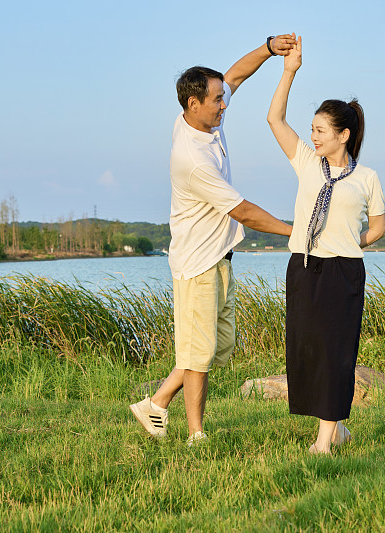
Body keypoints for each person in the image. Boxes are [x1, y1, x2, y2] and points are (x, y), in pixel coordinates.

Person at [130, 35, 296, 445]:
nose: (225, 104)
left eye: (223, 97)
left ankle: (156, 402)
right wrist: (299, 231)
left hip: (219, 258)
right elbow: (243, 212)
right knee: (198, 357)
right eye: (218, 99)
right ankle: (196, 434)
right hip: (198, 264)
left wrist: (269, 48)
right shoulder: (193, 159)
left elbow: (235, 74)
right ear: (193, 104)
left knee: (213, 349)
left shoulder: (202, 119)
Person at [267, 36, 385, 454]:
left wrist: (353, 243)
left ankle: (324, 441)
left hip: (343, 269)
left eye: (320, 130)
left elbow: (378, 227)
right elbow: (274, 119)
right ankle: (335, 428)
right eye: (313, 129)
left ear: (343, 135)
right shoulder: (306, 162)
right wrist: (289, 71)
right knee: (308, 350)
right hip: (303, 266)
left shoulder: (366, 177)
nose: (313, 135)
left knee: (337, 352)